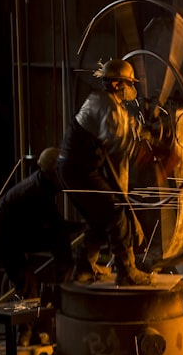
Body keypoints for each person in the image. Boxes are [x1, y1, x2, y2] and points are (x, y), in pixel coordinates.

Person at [57, 58, 153, 286]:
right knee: (115, 212)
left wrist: (146, 134)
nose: (132, 88)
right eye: (130, 83)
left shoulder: (103, 101)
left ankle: (83, 267)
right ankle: (126, 271)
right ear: (118, 85)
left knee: (97, 216)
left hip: (74, 169)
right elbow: (120, 147)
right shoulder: (107, 107)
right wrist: (148, 152)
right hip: (78, 170)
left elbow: (127, 127)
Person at [0, 148, 74, 297]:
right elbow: (56, 224)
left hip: (6, 233)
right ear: (50, 173)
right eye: (60, 172)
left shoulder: (43, 184)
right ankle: (62, 283)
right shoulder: (37, 191)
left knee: (27, 278)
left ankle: (34, 294)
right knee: (26, 281)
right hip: (1, 236)